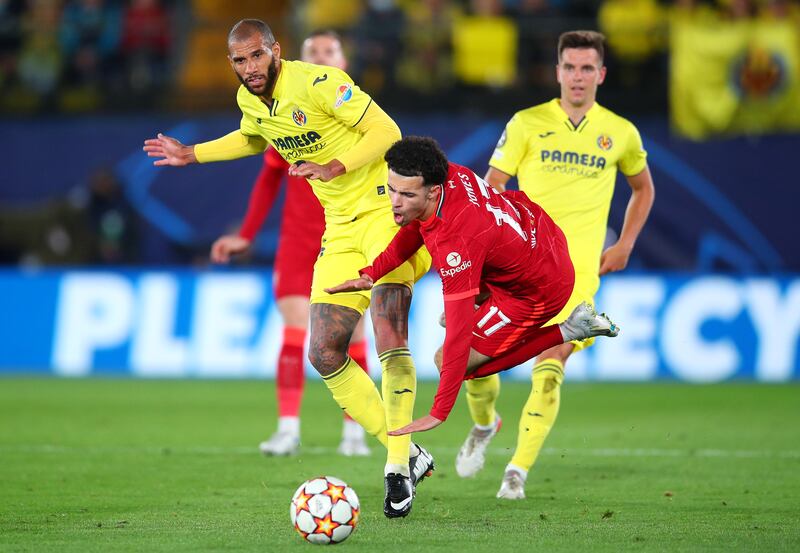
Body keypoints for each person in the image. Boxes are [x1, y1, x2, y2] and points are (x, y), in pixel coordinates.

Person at [143, 19, 434, 519]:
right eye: (239, 60)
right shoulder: (250, 101)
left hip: (388, 213)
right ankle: (407, 449)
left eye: (257, 56)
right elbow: (252, 138)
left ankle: (394, 470)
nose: (250, 68)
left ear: (275, 51)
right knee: (323, 351)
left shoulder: (320, 83)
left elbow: (388, 131)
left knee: (388, 333)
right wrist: (192, 154)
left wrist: (334, 167)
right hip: (341, 228)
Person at [458, 30, 655, 500]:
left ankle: (517, 471)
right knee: (471, 363)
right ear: (557, 71)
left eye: (588, 68)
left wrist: (626, 242)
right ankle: (484, 426)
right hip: (521, 269)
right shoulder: (527, 123)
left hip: (578, 275)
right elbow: (492, 186)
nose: (578, 77)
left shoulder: (621, 132)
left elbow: (643, 188)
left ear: (601, 74)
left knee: (550, 365)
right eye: (570, 67)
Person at [325, 136, 620, 436]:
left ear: (432, 192)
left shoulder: (457, 242)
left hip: (536, 289)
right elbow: (415, 226)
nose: (395, 202)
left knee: (449, 360)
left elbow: (457, 336)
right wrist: (372, 273)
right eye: (391, 190)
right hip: (538, 235)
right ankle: (485, 299)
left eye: (406, 195)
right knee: (454, 310)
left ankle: (570, 329)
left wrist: (438, 412)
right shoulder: (447, 173)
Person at [210, 30, 371, 458]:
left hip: (349, 232)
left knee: (351, 333)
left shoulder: (352, 110)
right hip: (299, 238)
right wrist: (245, 234)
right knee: (296, 328)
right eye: (313, 53)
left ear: (342, 59)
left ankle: (355, 431)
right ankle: (287, 428)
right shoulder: (281, 110)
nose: (321, 58)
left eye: (329, 51)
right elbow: (267, 178)